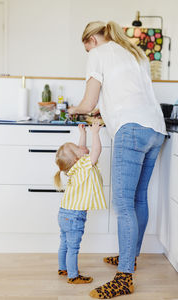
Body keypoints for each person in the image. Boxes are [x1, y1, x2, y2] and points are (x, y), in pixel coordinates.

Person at [68, 20, 167, 298]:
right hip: (155, 130)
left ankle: (124, 278)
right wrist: (106, 112)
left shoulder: (98, 54)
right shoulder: (134, 52)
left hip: (132, 130)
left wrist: (73, 109)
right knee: (138, 198)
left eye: (86, 48)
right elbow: (126, 95)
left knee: (123, 204)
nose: (88, 53)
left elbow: (87, 104)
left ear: (92, 41)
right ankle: (130, 257)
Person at [54, 121, 107, 284]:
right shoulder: (83, 165)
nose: (81, 146)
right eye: (78, 148)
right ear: (78, 158)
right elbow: (96, 151)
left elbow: (81, 150)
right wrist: (95, 133)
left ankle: (63, 268)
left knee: (64, 243)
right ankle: (73, 276)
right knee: (73, 248)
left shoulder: (73, 168)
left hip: (64, 213)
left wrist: (82, 134)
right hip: (74, 216)